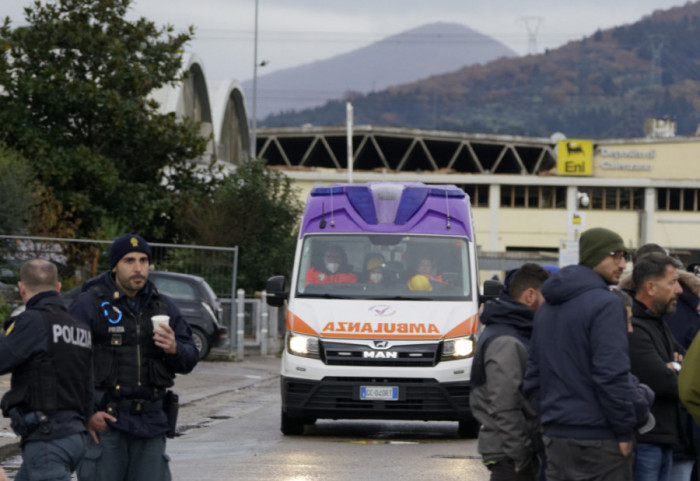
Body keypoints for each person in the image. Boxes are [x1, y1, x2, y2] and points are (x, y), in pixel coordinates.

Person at [69, 234, 199, 481]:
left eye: (143, 260)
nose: (138, 268)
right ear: (115, 265)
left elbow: (190, 357)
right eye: (129, 260)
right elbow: (67, 364)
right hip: (106, 424)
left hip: (151, 423)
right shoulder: (90, 305)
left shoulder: (164, 306)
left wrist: (174, 349)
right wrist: (86, 414)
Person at [524, 227, 637, 481]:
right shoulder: (606, 304)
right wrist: (623, 431)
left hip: (557, 437)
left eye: (625, 256)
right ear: (595, 255)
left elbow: (533, 376)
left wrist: (551, 419)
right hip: (600, 438)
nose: (622, 264)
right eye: (616, 255)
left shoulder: (546, 308)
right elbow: (611, 375)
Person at [0, 259, 92, 481]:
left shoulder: (33, 322)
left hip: (48, 440)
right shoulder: (79, 326)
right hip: (74, 436)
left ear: (21, 288)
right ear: (58, 287)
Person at [470, 263, 550, 480]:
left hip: (512, 450)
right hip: (510, 455)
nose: (549, 305)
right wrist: (519, 456)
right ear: (530, 295)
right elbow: (504, 404)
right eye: (547, 298)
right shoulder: (506, 339)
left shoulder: (512, 329)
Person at [627, 252, 685, 481]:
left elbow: (689, 366)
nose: (679, 290)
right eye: (672, 283)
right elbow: (664, 382)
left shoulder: (659, 323)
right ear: (651, 288)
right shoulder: (634, 327)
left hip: (667, 437)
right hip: (646, 440)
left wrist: (675, 366)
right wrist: (672, 368)